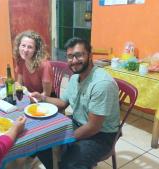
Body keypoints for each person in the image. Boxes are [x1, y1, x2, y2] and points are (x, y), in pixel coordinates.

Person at [31, 37, 120, 169]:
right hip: (77, 123)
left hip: (102, 135)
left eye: (79, 55)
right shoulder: (74, 78)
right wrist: (42, 97)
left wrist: (65, 139)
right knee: (40, 140)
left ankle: (63, 164)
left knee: (70, 164)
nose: (73, 61)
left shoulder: (101, 84)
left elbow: (93, 127)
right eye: (70, 56)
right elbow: (62, 103)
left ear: (90, 55)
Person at [13, 30, 54, 97]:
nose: (25, 50)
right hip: (29, 97)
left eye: (30, 47)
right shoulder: (21, 60)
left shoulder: (45, 65)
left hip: (45, 100)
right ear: (19, 46)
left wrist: (33, 99)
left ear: (36, 50)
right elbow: (19, 84)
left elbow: (46, 94)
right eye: (23, 45)